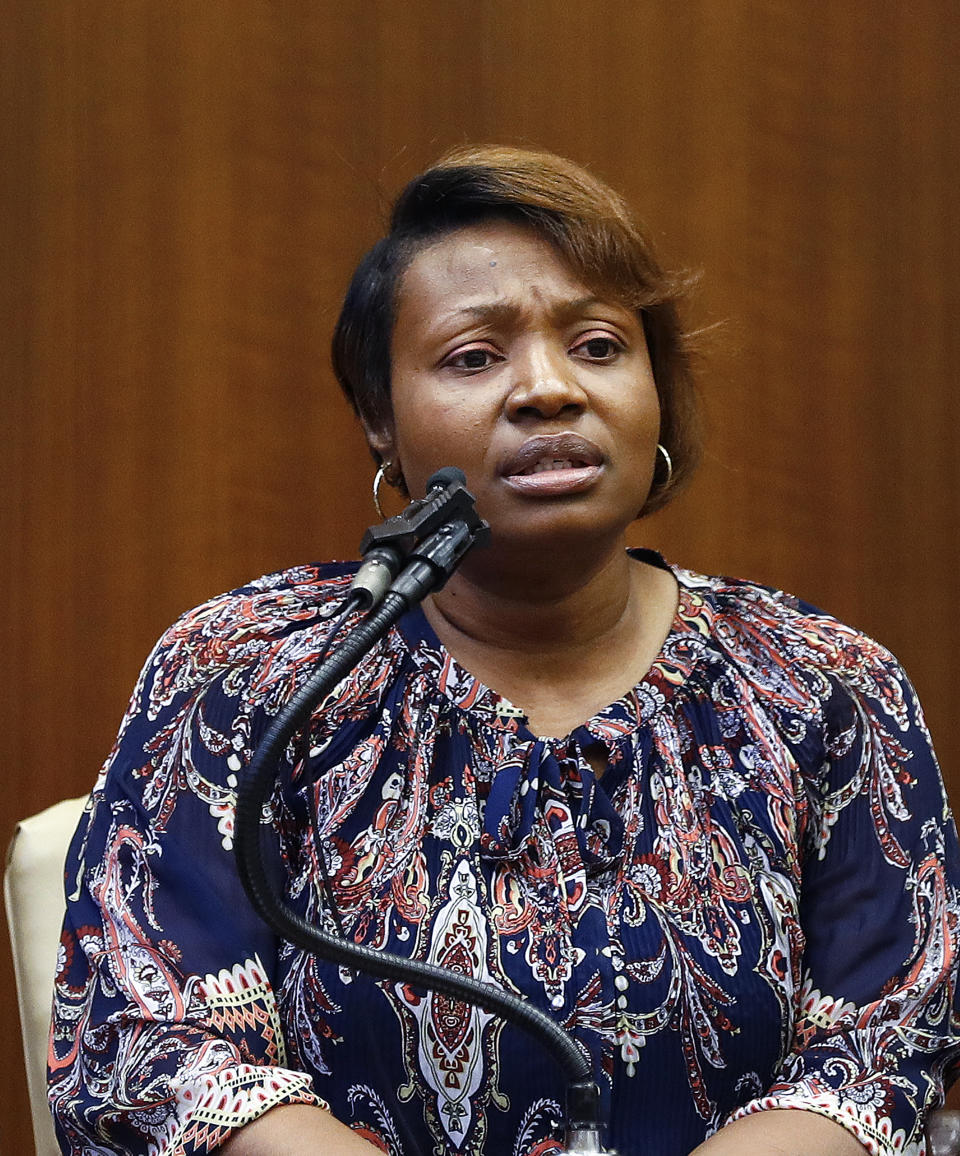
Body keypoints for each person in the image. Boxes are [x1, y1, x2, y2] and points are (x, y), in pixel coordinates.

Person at [49, 145, 960, 1156]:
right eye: (474, 357)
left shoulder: (825, 684)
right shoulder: (248, 673)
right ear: (378, 419)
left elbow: (888, 1044)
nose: (548, 390)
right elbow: (154, 1038)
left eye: (601, 346)